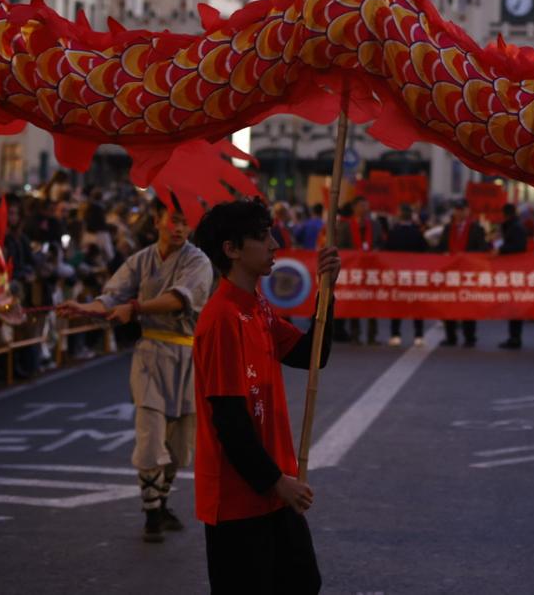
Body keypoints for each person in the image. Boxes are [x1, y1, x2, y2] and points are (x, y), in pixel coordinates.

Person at [191, 197, 338, 594]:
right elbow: (229, 420)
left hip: (273, 493)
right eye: (262, 237)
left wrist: (327, 292)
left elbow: (313, 355)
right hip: (239, 501)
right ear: (232, 250)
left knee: (303, 583)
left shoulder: (258, 307)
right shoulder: (221, 319)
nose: (275, 245)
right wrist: (277, 482)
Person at [59, 198, 214, 543]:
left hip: (188, 355)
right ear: (156, 219)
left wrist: (135, 307)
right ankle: (152, 513)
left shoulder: (198, 260)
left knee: (179, 445)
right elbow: (112, 297)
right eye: (172, 220)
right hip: (149, 354)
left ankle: (161, 498)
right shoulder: (140, 260)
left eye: (184, 222)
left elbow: (180, 299)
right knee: (149, 431)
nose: (178, 228)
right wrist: (84, 307)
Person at [438, 199, 488, 348]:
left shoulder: (476, 228)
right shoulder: (448, 228)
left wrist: (466, 257)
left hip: (468, 274)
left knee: (468, 304)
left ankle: (469, 337)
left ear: (467, 211)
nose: (459, 212)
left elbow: (482, 249)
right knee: (448, 303)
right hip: (451, 273)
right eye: (457, 209)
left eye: (462, 209)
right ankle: (450, 336)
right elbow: (441, 246)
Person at [337, 196, 382, 345]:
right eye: (362, 206)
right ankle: (355, 334)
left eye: (366, 206)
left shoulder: (375, 226)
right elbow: (341, 247)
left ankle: (372, 335)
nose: (364, 209)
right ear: (355, 208)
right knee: (354, 300)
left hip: (372, 271)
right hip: (353, 270)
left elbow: (381, 244)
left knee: (372, 302)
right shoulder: (345, 226)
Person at [384, 204, 428, 346]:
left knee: (397, 304)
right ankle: (419, 335)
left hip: (398, 274)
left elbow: (386, 251)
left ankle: (395, 334)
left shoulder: (394, 232)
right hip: (414, 275)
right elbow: (425, 251)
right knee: (417, 304)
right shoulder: (417, 232)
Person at [497, 203, 531, 350]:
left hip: (516, 270)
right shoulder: (513, 226)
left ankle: (515, 337)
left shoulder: (515, 227)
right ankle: (513, 336)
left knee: (515, 306)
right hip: (513, 270)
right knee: (513, 305)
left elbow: (518, 247)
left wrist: (501, 250)